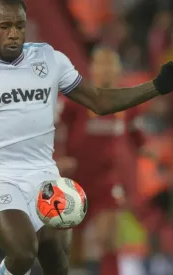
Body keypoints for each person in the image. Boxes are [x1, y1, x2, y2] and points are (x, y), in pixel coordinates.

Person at [0, 0, 173, 274]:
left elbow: (98, 100)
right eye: (5, 26)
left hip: (44, 174)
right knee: (22, 252)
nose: (14, 33)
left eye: (19, 25)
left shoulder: (49, 60)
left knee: (55, 256)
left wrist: (157, 86)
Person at [57, 47, 147, 275]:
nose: (106, 70)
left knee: (108, 236)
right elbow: (56, 128)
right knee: (74, 240)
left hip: (108, 180)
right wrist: (59, 158)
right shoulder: (77, 99)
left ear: (118, 70)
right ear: (93, 69)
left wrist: (150, 154)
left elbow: (138, 136)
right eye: (101, 64)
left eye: (110, 65)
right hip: (77, 179)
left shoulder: (127, 102)